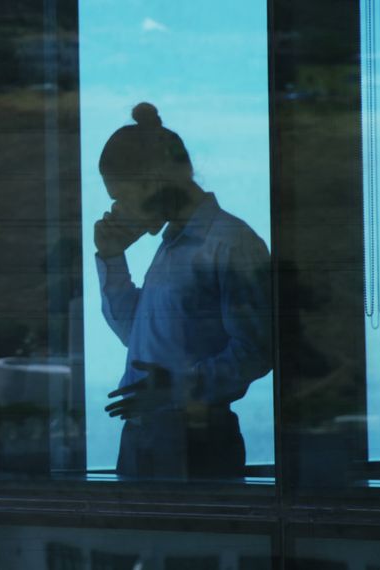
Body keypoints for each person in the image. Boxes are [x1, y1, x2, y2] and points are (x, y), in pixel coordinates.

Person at [94, 102, 272, 481]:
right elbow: (137, 336)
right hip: (148, 439)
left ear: (155, 181)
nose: (117, 210)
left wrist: (176, 389)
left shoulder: (229, 243)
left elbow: (257, 351)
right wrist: (112, 259)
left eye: (122, 196)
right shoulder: (175, 247)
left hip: (195, 441)